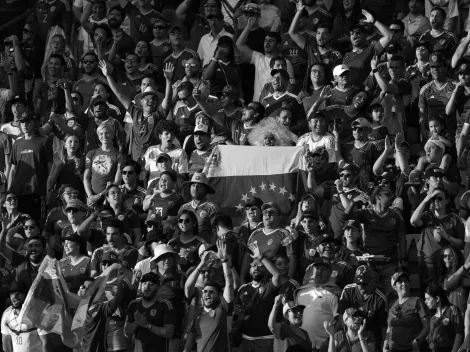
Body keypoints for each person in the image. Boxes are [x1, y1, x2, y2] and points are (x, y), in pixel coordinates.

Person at [99, 59, 174, 161]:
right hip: (135, 159)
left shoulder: (159, 114)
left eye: (153, 98)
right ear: (141, 101)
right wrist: (108, 76)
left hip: (154, 160)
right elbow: (119, 94)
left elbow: (168, 100)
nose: (151, 100)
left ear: (157, 102)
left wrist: (168, 80)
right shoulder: (135, 112)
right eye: (147, 98)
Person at [345, 185, 407, 295]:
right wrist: (353, 202)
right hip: (369, 264)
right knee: (369, 296)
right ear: (378, 197)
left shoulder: (396, 215)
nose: (392, 196)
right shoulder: (366, 213)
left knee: (390, 297)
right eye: (387, 194)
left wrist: (404, 260)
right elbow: (345, 216)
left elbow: (402, 239)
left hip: (390, 264)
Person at [184, 238, 234, 352]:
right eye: (205, 292)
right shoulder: (198, 310)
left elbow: (229, 283)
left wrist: (224, 261)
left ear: (219, 295)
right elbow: (192, 334)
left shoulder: (223, 308)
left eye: (211, 292)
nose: (207, 294)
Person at [232, 241, 281, 352]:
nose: (256, 268)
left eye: (260, 266)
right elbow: (236, 312)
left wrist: (260, 256)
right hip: (244, 337)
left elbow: (277, 275)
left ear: (266, 269)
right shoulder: (243, 288)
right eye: (253, 265)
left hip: (265, 338)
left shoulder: (270, 286)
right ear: (249, 269)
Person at [8, 111, 52, 220]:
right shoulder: (17, 143)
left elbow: (50, 168)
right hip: (19, 192)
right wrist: (9, 190)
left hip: (38, 191)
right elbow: (13, 169)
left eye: (28, 122)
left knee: (36, 224)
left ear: (34, 123)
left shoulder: (44, 141)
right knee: (21, 226)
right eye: (22, 122)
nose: (25, 125)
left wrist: (50, 190)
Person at [124, 272, 176, 352]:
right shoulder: (134, 304)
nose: (147, 287)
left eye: (151, 284)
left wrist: (147, 325)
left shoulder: (165, 304)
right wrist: (136, 323)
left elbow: (169, 333)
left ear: (158, 287)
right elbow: (127, 332)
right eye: (144, 283)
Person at [338, 265, 388, 347]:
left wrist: (383, 346)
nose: (361, 286)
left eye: (365, 283)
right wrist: (347, 336)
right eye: (359, 283)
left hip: (370, 339)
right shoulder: (348, 290)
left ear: (372, 281)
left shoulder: (380, 299)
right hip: (349, 337)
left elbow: (383, 327)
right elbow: (341, 315)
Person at [295, 257, 340, 346]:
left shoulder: (336, 293)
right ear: (313, 270)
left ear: (330, 272)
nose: (319, 271)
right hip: (301, 345)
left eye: (323, 269)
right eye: (317, 268)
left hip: (323, 345)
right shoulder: (301, 291)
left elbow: (340, 322)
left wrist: (329, 341)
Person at [384, 271, 430, 352]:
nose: (404, 283)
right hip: (394, 349)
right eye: (400, 282)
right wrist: (385, 346)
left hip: (411, 349)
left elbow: (427, 326)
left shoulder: (417, 301)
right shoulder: (392, 306)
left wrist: (416, 342)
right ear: (394, 286)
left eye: (406, 281)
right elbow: (389, 328)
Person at [1, 281, 48, 352]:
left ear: (26, 296)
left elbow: (46, 343)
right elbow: (6, 344)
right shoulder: (7, 314)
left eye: (18, 293)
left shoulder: (38, 313)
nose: (14, 296)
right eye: (12, 294)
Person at [425, 283, 464, 352]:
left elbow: (459, 333)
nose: (426, 302)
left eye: (428, 299)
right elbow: (431, 341)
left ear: (437, 298)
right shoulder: (433, 319)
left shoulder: (452, 311)